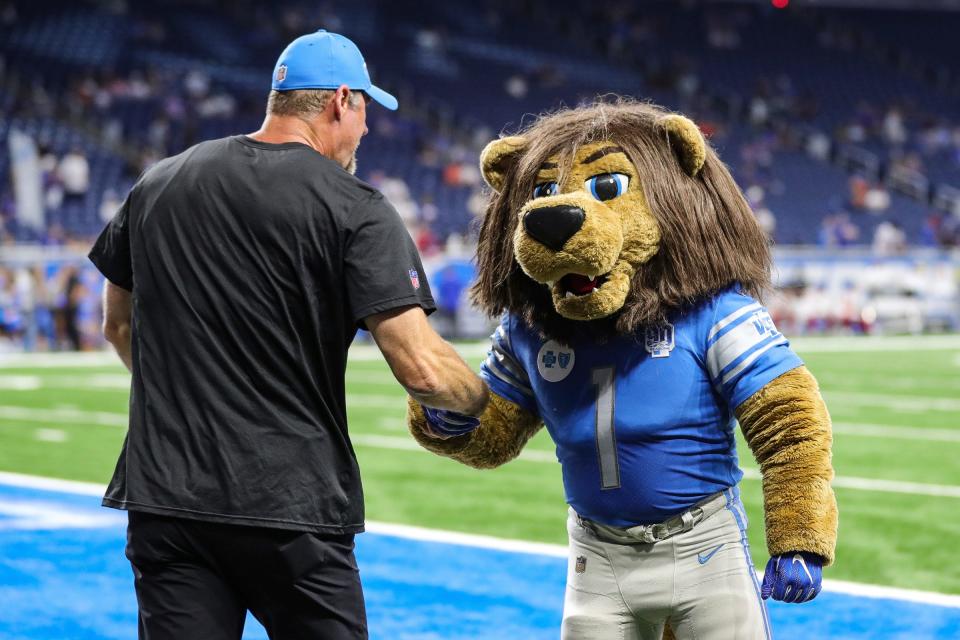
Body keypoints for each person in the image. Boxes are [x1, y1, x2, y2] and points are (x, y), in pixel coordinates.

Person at [88, 30, 488, 640]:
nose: (368, 131)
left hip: (166, 498)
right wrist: (492, 403)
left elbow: (118, 324)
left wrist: (189, 395)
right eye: (365, 113)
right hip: (289, 507)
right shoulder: (355, 206)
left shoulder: (160, 182)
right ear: (340, 101)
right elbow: (424, 370)